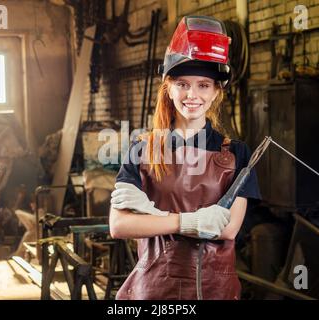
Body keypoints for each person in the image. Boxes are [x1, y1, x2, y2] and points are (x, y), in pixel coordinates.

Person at [109, 15, 261, 300]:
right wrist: (190, 222)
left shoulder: (237, 154)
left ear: (217, 91)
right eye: (182, 84)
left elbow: (227, 229)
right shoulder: (142, 150)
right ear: (168, 87)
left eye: (204, 85)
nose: (193, 95)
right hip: (153, 289)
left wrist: (154, 217)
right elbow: (119, 225)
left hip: (215, 291)